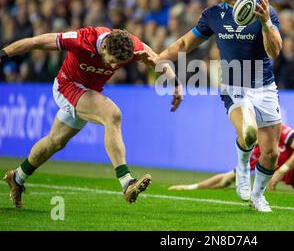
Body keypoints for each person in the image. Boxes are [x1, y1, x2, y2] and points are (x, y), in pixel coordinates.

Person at [144, 0, 283, 212]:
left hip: (264, 86)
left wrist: (266, 23)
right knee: (248, 132)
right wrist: (158, 57)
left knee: (271, 152)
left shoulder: (264, 11)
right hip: (233, 85)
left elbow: (274, 51)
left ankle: (258, 195)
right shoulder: (213, 15)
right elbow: (185, 44)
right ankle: (242, 167)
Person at [0, 26, 183, 208]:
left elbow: (158, 60)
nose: (113, 67)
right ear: (103, 47)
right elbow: (35, 42)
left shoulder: (132, 46)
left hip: (88, 93)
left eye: (118, 63)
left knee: (54, 142)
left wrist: (175, 84)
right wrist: (4, 53)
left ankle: (17, 177)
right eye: (112, 61)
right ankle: (126, 181)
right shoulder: (81, 39)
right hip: (67, 86)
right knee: (112, 115)